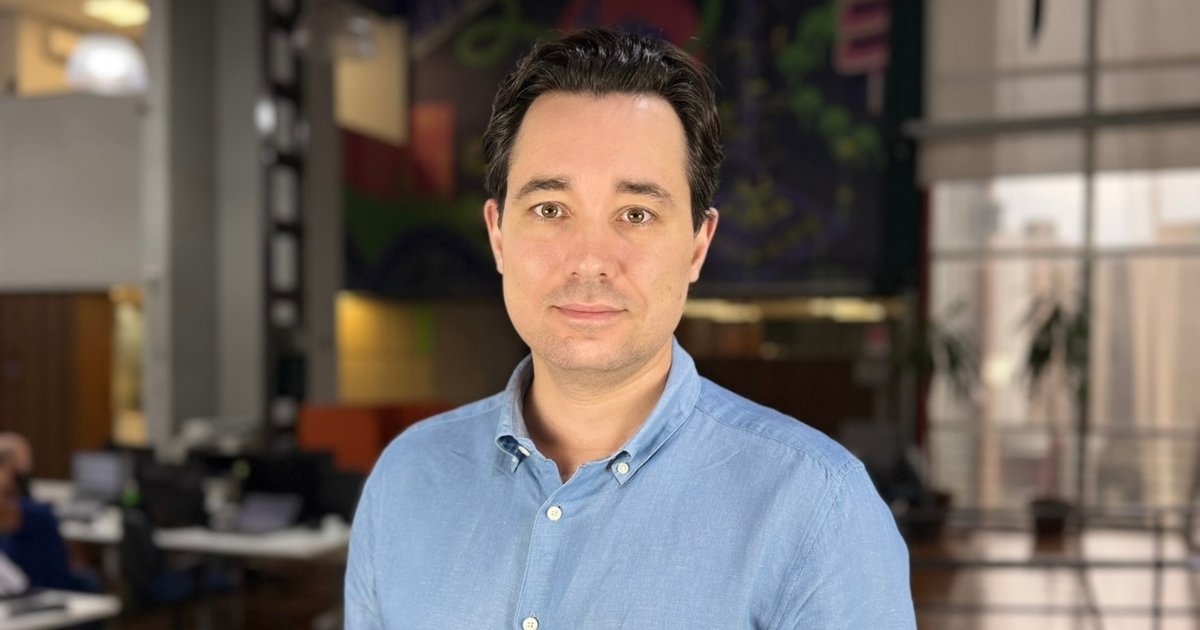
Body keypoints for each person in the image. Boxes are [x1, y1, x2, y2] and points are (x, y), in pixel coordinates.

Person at [346, 28, 915, 629]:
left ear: (698, 245)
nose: (590, 260)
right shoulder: (406, 480)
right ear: (498, 235)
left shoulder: (817, 509)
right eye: (550, 209)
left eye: (636, 214)